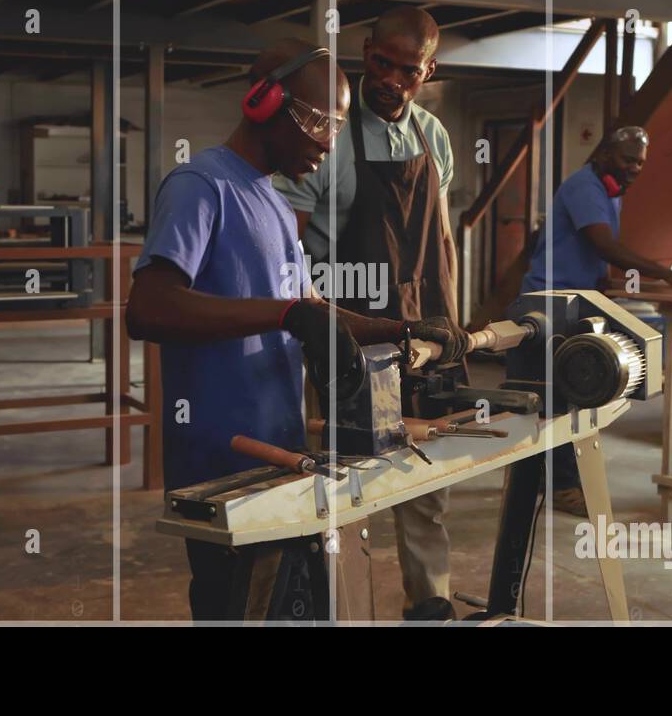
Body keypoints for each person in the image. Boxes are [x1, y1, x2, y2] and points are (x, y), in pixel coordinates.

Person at [126, 38, 470, 620]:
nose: (327, 142)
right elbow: (150, 308)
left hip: (280, 452)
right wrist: (284, 314)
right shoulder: (201, 186)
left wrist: (403, 327)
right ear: (264, 103)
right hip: (220, 459)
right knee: (230, 603)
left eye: (336, 126)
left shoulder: (276, 205)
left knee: (290, 606)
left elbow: (309, 305)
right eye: (317, 121)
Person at [274, 6, 465, 622]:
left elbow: (440, 238)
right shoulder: (326, 133)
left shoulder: (433, 135)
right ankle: (340, 607)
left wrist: (453, 321)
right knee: (340, 482)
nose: (390, 79)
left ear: (428, 70)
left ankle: (428, 604)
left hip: (421, 331)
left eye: (407, 71)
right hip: (343, 333)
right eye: (381, 63)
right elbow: (290, 243)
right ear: (364, 51)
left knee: (421, 478)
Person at [522, 126, 672, 516]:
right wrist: (666, 273)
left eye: (640, 162)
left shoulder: (609, 191)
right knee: (564, 395)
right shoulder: (585, 187)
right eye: (627, 159)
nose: (634, 168)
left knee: (572, 393)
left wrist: (610, 281)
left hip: (580, 299)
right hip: (552, 301)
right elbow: (602, 244)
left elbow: (594, 254)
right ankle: (563, 485)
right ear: (604, 153)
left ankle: (545, 478)